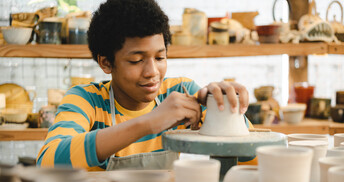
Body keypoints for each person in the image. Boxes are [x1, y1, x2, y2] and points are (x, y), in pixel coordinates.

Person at [36, 0, 251, 171]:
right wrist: (149, 123)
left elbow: (250, 153)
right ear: (106, 63)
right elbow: (48, 161)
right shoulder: (86, 100)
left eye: (160, 58)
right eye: (137, 60)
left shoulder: (180, 94)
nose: (152, 72)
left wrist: (222, 108)